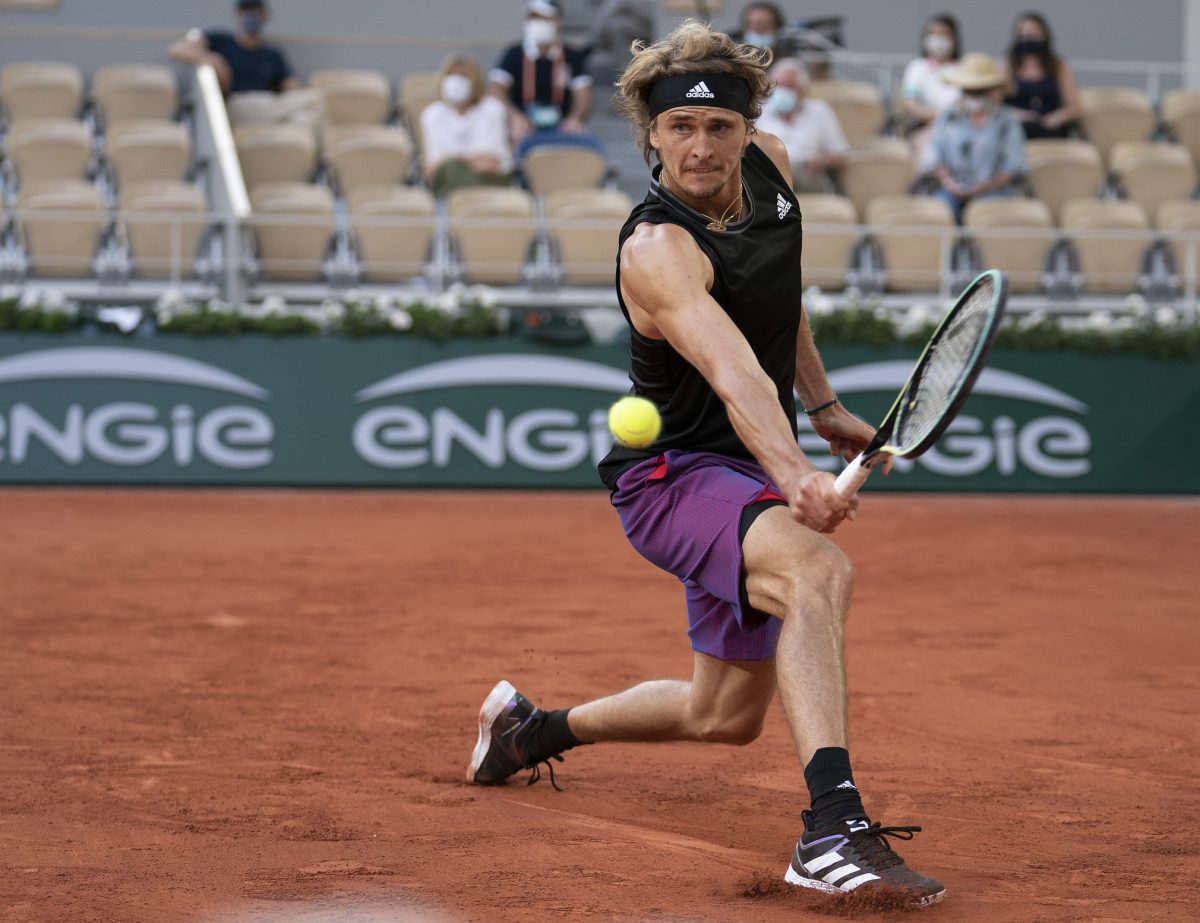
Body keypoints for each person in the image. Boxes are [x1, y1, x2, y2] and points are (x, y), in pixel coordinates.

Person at [467, 19, 946, 908]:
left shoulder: (775, 168)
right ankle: (832, 827)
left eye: (718, 126)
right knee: (817, 571)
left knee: (722, 715)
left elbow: (781, 298)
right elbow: (731, 372)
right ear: (648, 134)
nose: (700, 146)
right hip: (674, 475)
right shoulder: (658, 248)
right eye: (679, 129)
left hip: (749, 472)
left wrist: (825, 403)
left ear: (747, 128)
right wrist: (797, 471)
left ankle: (529, 731)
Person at [168, 1, 322, 128]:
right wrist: (213, 59)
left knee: (306, 116)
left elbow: (291, 86)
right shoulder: (222, 41)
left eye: (255, 11)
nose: (250, 16)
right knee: (316, 100)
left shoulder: (272, 53)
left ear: (265, 16)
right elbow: (177, 50)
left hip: (267, 104)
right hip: (238, 103)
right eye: (245, 11)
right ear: (237, 15)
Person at [488, 0, 604, 160]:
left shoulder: (572, 57)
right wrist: (514, 116)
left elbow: (584, 95)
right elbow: (496, 89)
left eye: (543, 18)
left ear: (558, 22)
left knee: (586, 144)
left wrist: (575, 118)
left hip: (561, 127)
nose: (537, 24)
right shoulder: (513, 54)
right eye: (532, 18)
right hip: (523, 127)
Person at [929, 53, 1027, 224]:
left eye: (979, 92)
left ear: (990, 91)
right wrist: (949, 183)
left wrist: (985, 187)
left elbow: (1014, 165)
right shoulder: (947, 117)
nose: (973, 97)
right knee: (938, 211)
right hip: (952, 192)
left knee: (990, 215)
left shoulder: (1007, 121)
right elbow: (935, 157)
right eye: (968, 91)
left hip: (993, 192)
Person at [420, 54, 514, 198]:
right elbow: (433, 169)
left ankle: (468, 207)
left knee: (451, 168)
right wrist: (469, 159)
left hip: (491, 180)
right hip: (447, 181)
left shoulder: (493, 110)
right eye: (451, 75)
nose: (456, 81)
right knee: (450, 170)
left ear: (475, 81)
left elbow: (490, 164)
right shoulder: (432, 115)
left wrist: (450, 159)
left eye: (463, 76)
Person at [755, 58, 848, 193]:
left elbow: (841, 155)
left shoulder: (820, 111)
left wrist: (820, 162)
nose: (782, 91)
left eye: (789, 86)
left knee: (787, 168)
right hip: (767, 173)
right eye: (778, 85)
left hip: (808, 175)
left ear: (802, 90)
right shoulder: (759, 113)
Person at [1002, 11, 1081, 140]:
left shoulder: (1058, 66)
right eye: (1023, 32)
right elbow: (996, 106)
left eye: (1034, 32)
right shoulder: (1007, 67)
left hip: (1051, 126)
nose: (1028, 36)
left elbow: (1075, 108)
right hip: (1019, 125)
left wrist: (1056, 117)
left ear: (1044, 35)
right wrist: (1020, 115)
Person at [899, 13, 962, 169]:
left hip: (959, 128)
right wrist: (937, 118)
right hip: (924, 128)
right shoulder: (917, 68)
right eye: (932, 34)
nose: (937, 39)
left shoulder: (963, 70)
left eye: (943, 34)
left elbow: (964, 104)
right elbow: (911, 103)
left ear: (954, 39)